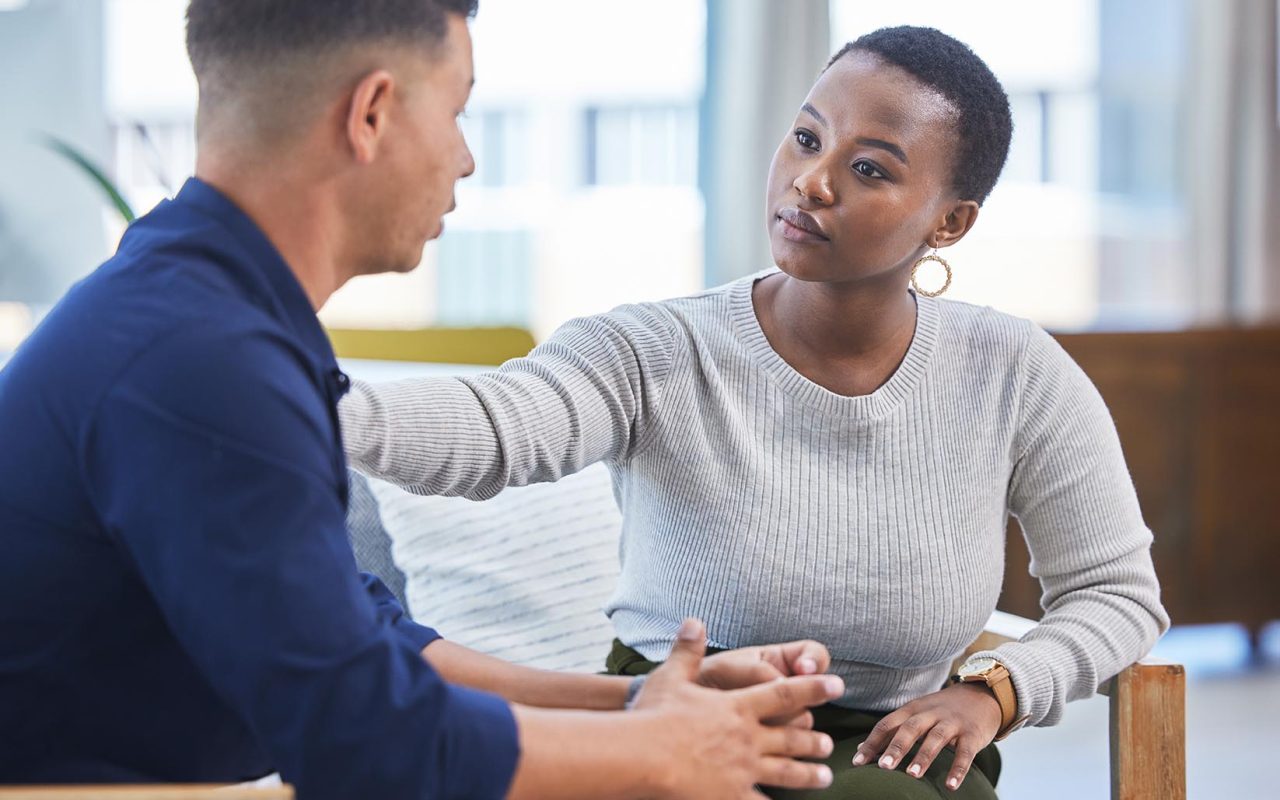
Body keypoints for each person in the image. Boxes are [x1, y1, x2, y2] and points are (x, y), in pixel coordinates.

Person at [0, 2, 849, 798]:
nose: (466, 157)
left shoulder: (205, 304)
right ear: (370, 114)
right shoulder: (198, 358)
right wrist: (668, 751)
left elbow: (359, 641)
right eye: (456, 111)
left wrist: (635, 705)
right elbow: (361, 739)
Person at [341, 25, 1171, 798]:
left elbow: (1118, 594)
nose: (811, 180)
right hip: (672, 721)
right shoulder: (653, 348)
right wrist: (306, 403)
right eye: (808, 138)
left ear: (949, 222)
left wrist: (996, 692)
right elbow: (499, 426)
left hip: (887, 751)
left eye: (870, 168)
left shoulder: (1016, 373)